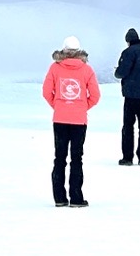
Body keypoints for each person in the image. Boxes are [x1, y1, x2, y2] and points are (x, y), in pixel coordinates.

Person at [43, 36, 100, 206]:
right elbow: (95, 96)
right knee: (77, 158)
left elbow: (46, 92)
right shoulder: (87, 70)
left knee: (59, 157)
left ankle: (59, 198)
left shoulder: (55, 68)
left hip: (60, 119)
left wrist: (59, 106)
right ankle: (76, 197)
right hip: (79, 121)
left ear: (63, 50)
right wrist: (81, 108)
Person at [115, 28, 140, 167]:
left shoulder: (128, 52)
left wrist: (117, 71)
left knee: (128, 125)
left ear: (128, 41)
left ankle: (127, 157)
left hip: (131, 94)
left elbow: (121, 72)